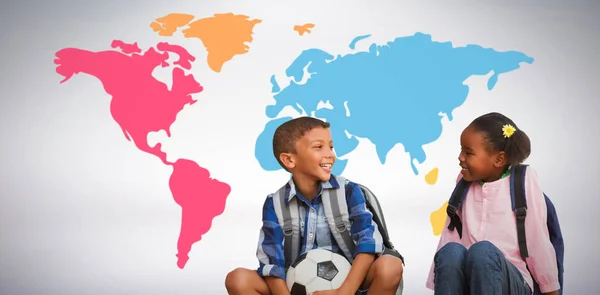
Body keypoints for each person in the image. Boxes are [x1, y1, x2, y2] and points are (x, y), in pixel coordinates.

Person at [225, 116, 403, 295]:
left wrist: (344, 292)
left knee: (390, 266)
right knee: (237, 279)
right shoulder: (275, 203)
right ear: (289, 160)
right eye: (318, 147)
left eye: (331, 147)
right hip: (294, 286)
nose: (330, 154)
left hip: (351, 284)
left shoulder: (349, 191)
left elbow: (368, 243)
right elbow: (272, 263)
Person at [426, 112, 560, 295]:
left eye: (468, 152)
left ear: (499, 159)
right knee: (450, 251)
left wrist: (550, 289)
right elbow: (451, 234)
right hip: (469, 281)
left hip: (512, 280)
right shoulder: (464, 183)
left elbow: (537, 239)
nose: (460, 157)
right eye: (461, 150)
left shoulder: (523, 180)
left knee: (483, 252)